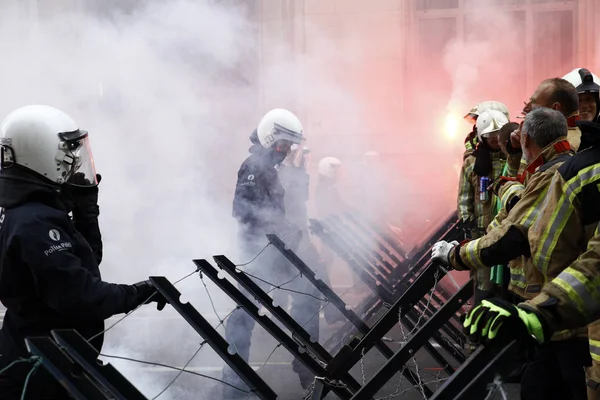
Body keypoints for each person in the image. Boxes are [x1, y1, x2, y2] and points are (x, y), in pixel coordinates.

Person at [0, 105, 168, 400]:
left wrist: (85, 212)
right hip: (40, 371)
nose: (74, 159)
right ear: (43, 154)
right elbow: (81, 295)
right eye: (67, 150)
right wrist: (139, 293)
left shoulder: (32, 211)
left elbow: (85, 262)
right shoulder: (35, 221)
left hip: (50, 358)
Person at [224, 108, 317, 398]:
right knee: (245, 314)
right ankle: (234, 385)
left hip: (272, 249)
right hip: (258, 252)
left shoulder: (269, 168)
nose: (286, 150)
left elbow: (275, 210)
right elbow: (242, 210)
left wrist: (285, 228)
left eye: (289, 145)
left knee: (307, 293)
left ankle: (307, 367)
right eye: (282, 144)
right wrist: (281, 226)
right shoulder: (253, 166)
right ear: (269, 138)